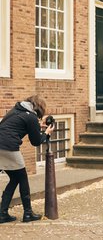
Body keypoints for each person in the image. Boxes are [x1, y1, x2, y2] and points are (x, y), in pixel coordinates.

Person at [0, 95, 54, 224]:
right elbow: (36, 142)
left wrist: (37, 126)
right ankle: (28, 213)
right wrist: (46, 133)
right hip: (9, 147)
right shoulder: (30, 117)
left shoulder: (15, 110)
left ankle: (2, 214)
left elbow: (14, 126)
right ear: (39, 107)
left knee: (14, 179)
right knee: (22, 178)